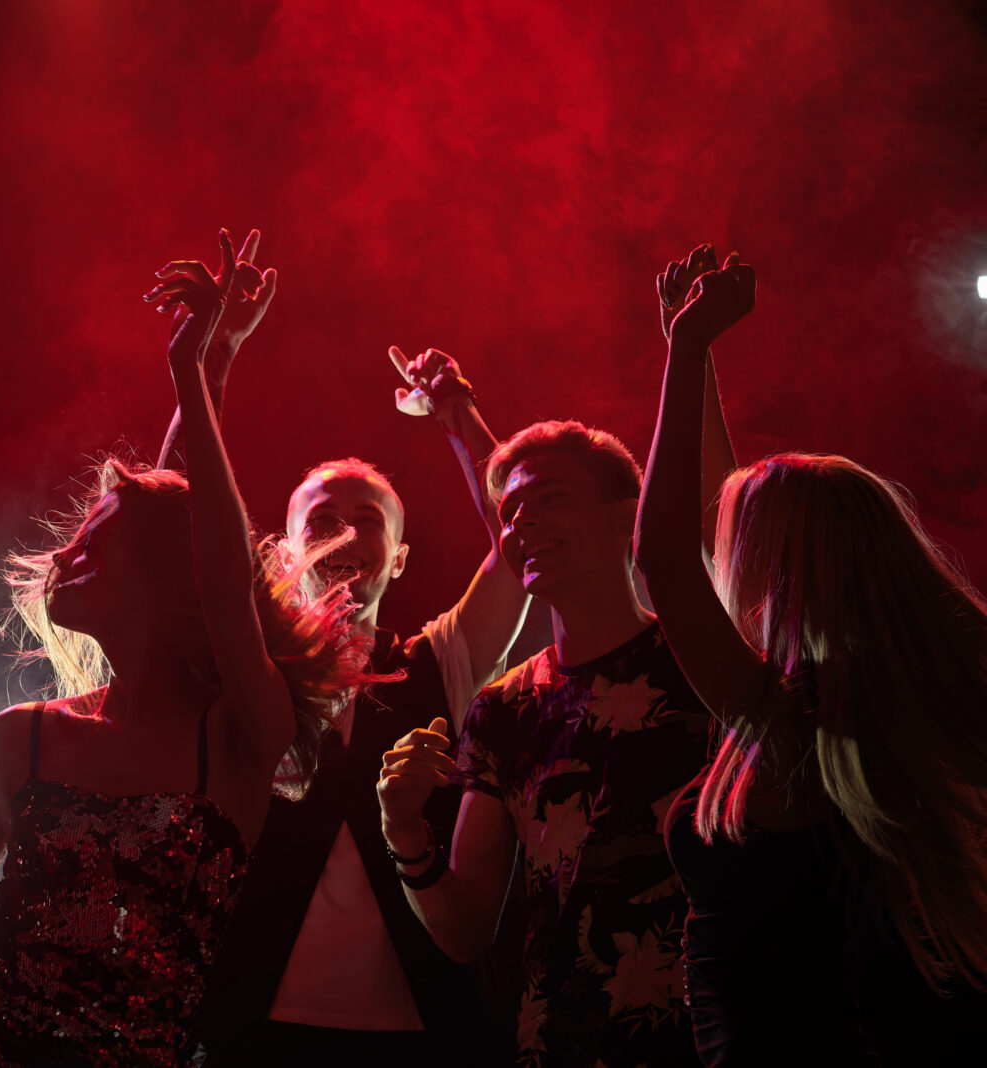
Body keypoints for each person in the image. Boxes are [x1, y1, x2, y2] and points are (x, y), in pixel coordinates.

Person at [0, 232, 373, 1066]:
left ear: (158, 578)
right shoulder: (27, 734)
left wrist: (194, 373)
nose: (67, 555)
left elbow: (211, 571)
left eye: (94, 544)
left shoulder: (240, 737)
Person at [177, 233, 531, 1062]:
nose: (341, 536)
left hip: (425, 1030)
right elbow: (176, 524)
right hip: (248, 1030)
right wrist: (213, 360)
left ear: (400, 558)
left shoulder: (436, 660)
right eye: (320, 523)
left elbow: (523, 543)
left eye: (366, 521)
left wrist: (457, 417)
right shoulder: (246, 665)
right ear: (283, 550)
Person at [636, 246, 987, 1064]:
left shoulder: (790, 721)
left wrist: (687, 352)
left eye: (739, 546)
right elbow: (723, 515)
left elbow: (666, 560)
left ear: (780, 570)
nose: (723, 557)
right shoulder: (883, 700)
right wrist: (695, 359)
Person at [378, 397, 736, 1063]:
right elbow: (464, 933)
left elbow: (723, 518)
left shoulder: (705, 664)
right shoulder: (501, 712)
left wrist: (692, 348)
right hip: (562, 1046)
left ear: (625, 515)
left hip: (718, 1041)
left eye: (549, 499)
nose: (520, 525)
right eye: (509, 513)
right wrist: (403, 831)